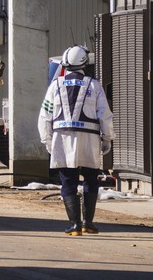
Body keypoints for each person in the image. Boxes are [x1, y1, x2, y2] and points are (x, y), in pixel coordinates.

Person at [38, 45, 115, 236]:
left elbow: (45, 116)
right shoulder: (94, 85)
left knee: (68, 181)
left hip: (62, 139)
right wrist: (107, 138)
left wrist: (47, 140)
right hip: (89, 140)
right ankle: (88, 223)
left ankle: (74, 225)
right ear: (84, 63)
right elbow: (105, 115)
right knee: (91, 179)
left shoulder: (55, 86)